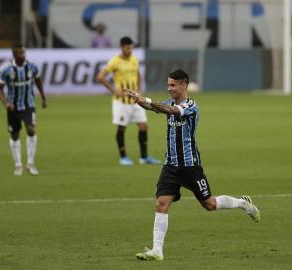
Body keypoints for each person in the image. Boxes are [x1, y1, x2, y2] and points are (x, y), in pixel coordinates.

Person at [124, 69, 260, 261]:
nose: (169, 88)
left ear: (183, 85)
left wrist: (145, 99)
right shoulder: (169, 103)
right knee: (162, 203)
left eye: (172, 85)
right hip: (170, 165)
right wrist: (139, 100)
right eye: (168, 84)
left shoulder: (191, 106)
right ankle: (157, 250)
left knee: (209, 204)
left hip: (190, 166)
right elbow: (156, 108)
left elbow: (168, 110)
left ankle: (242, 203)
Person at [97, 36, 160, 165]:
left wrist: (139, 89)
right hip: (121, 102)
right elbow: (101, 77)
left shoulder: (134, 59)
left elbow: (138, 74)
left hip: (135, 101)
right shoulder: (114, 61)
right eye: (127, 48)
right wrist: (114, 90)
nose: (130, 50)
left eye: (131, 47)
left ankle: (144, 157)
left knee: (143, 126)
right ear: (121, 47)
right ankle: (123, 157)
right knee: (122, 128)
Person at [0, 44, 47, 176]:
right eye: (20, 53)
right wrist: (6, 103)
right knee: (15, 135)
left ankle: (30, 163)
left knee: (31, 129)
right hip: (12, 106)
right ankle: (18, 164)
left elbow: (38, 81)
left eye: (24, 53)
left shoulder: (32, 67)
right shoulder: (6, 69)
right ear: (14, 55)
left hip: (29, 104)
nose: (23, 55)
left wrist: (43, 98)